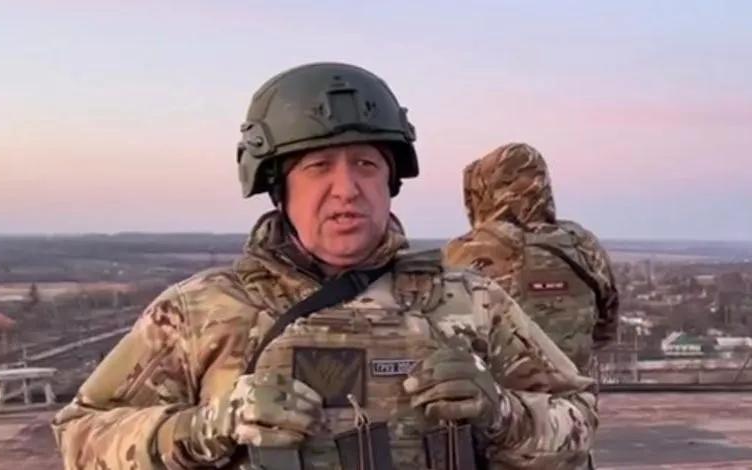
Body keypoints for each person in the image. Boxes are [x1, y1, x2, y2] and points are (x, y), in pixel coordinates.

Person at [51, 63, 598, 470]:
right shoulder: (201, 312)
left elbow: (577, 421)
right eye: (318, 166)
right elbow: (82, 439)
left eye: (366, 164)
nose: (347, 189)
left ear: (390, 182)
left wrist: (500, 413)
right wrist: (208, 426)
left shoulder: (471, 302)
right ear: (278, 187)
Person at [443, 142, 619, 377]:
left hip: (495, 396)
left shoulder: (463, 251)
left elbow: (441, 334)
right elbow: (606, 327)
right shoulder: (582, 244)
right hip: (574, 396)